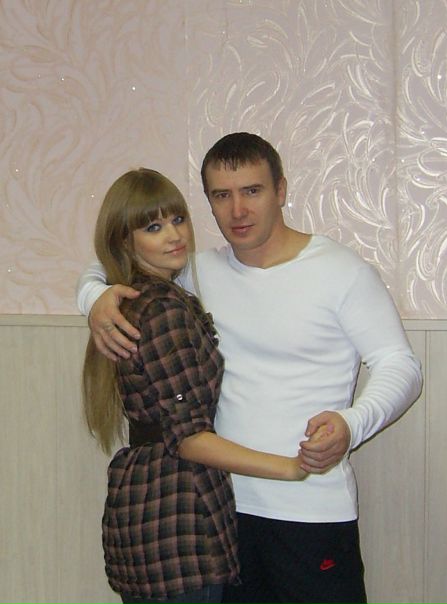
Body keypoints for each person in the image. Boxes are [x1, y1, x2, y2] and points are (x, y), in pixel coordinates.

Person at [78, 136, 423, 604]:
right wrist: (95, 299)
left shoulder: (340, 271)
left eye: (252, 191)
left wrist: (351, 424)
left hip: (310, 507)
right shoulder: (195, 272)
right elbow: (108, 263)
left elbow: (400, 365)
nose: (238, 210)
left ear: (281, 190)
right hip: (220, 514)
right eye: (222, 195)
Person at [82, 167, 317, 604]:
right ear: (126, 241)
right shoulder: (162, 309)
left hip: (147, 507)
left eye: (177, 219)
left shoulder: (140, 299)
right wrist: (290, 468)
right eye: (154, 227)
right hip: (178, 516)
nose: (174, 235)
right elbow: (188, 437)